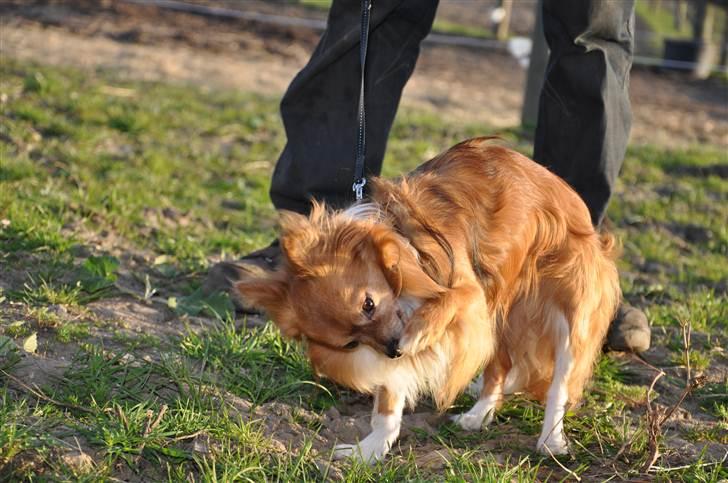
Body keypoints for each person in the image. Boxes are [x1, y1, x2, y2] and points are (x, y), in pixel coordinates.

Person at [205, 0, 650, 353]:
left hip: (565, 246)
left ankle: (571, 270)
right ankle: (318, 245)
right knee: (375, 7)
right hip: (329, 243)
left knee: (592, 30)